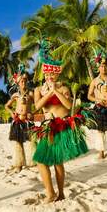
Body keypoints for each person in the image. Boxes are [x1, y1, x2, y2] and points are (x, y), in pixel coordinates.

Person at [31, 39, 89, 203]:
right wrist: (48, 93)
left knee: (57, 162)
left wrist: (56, 91)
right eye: (47, 74)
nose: (50, 76)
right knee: (41, 161)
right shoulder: (38, 90)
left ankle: (61, 193)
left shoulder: (63, 88)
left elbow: (70, 106)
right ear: (44, 73)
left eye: (53, 74)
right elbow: (37, 107)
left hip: (62, 125)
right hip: (48, 127)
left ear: (57, 74)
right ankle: (50, 192)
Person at [5, 63, 36, 172]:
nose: (23, 82)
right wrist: (11, 113)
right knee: (18, 142)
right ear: (17, 83)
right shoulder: (15, 95)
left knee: (32, 141)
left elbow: (38, 105)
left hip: (28, 120)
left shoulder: (31, 94)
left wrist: (32, 113)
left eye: (25, 81)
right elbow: (7, 106)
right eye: (21, 81)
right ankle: (18, 164)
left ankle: (33, 162)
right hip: (17, 120)